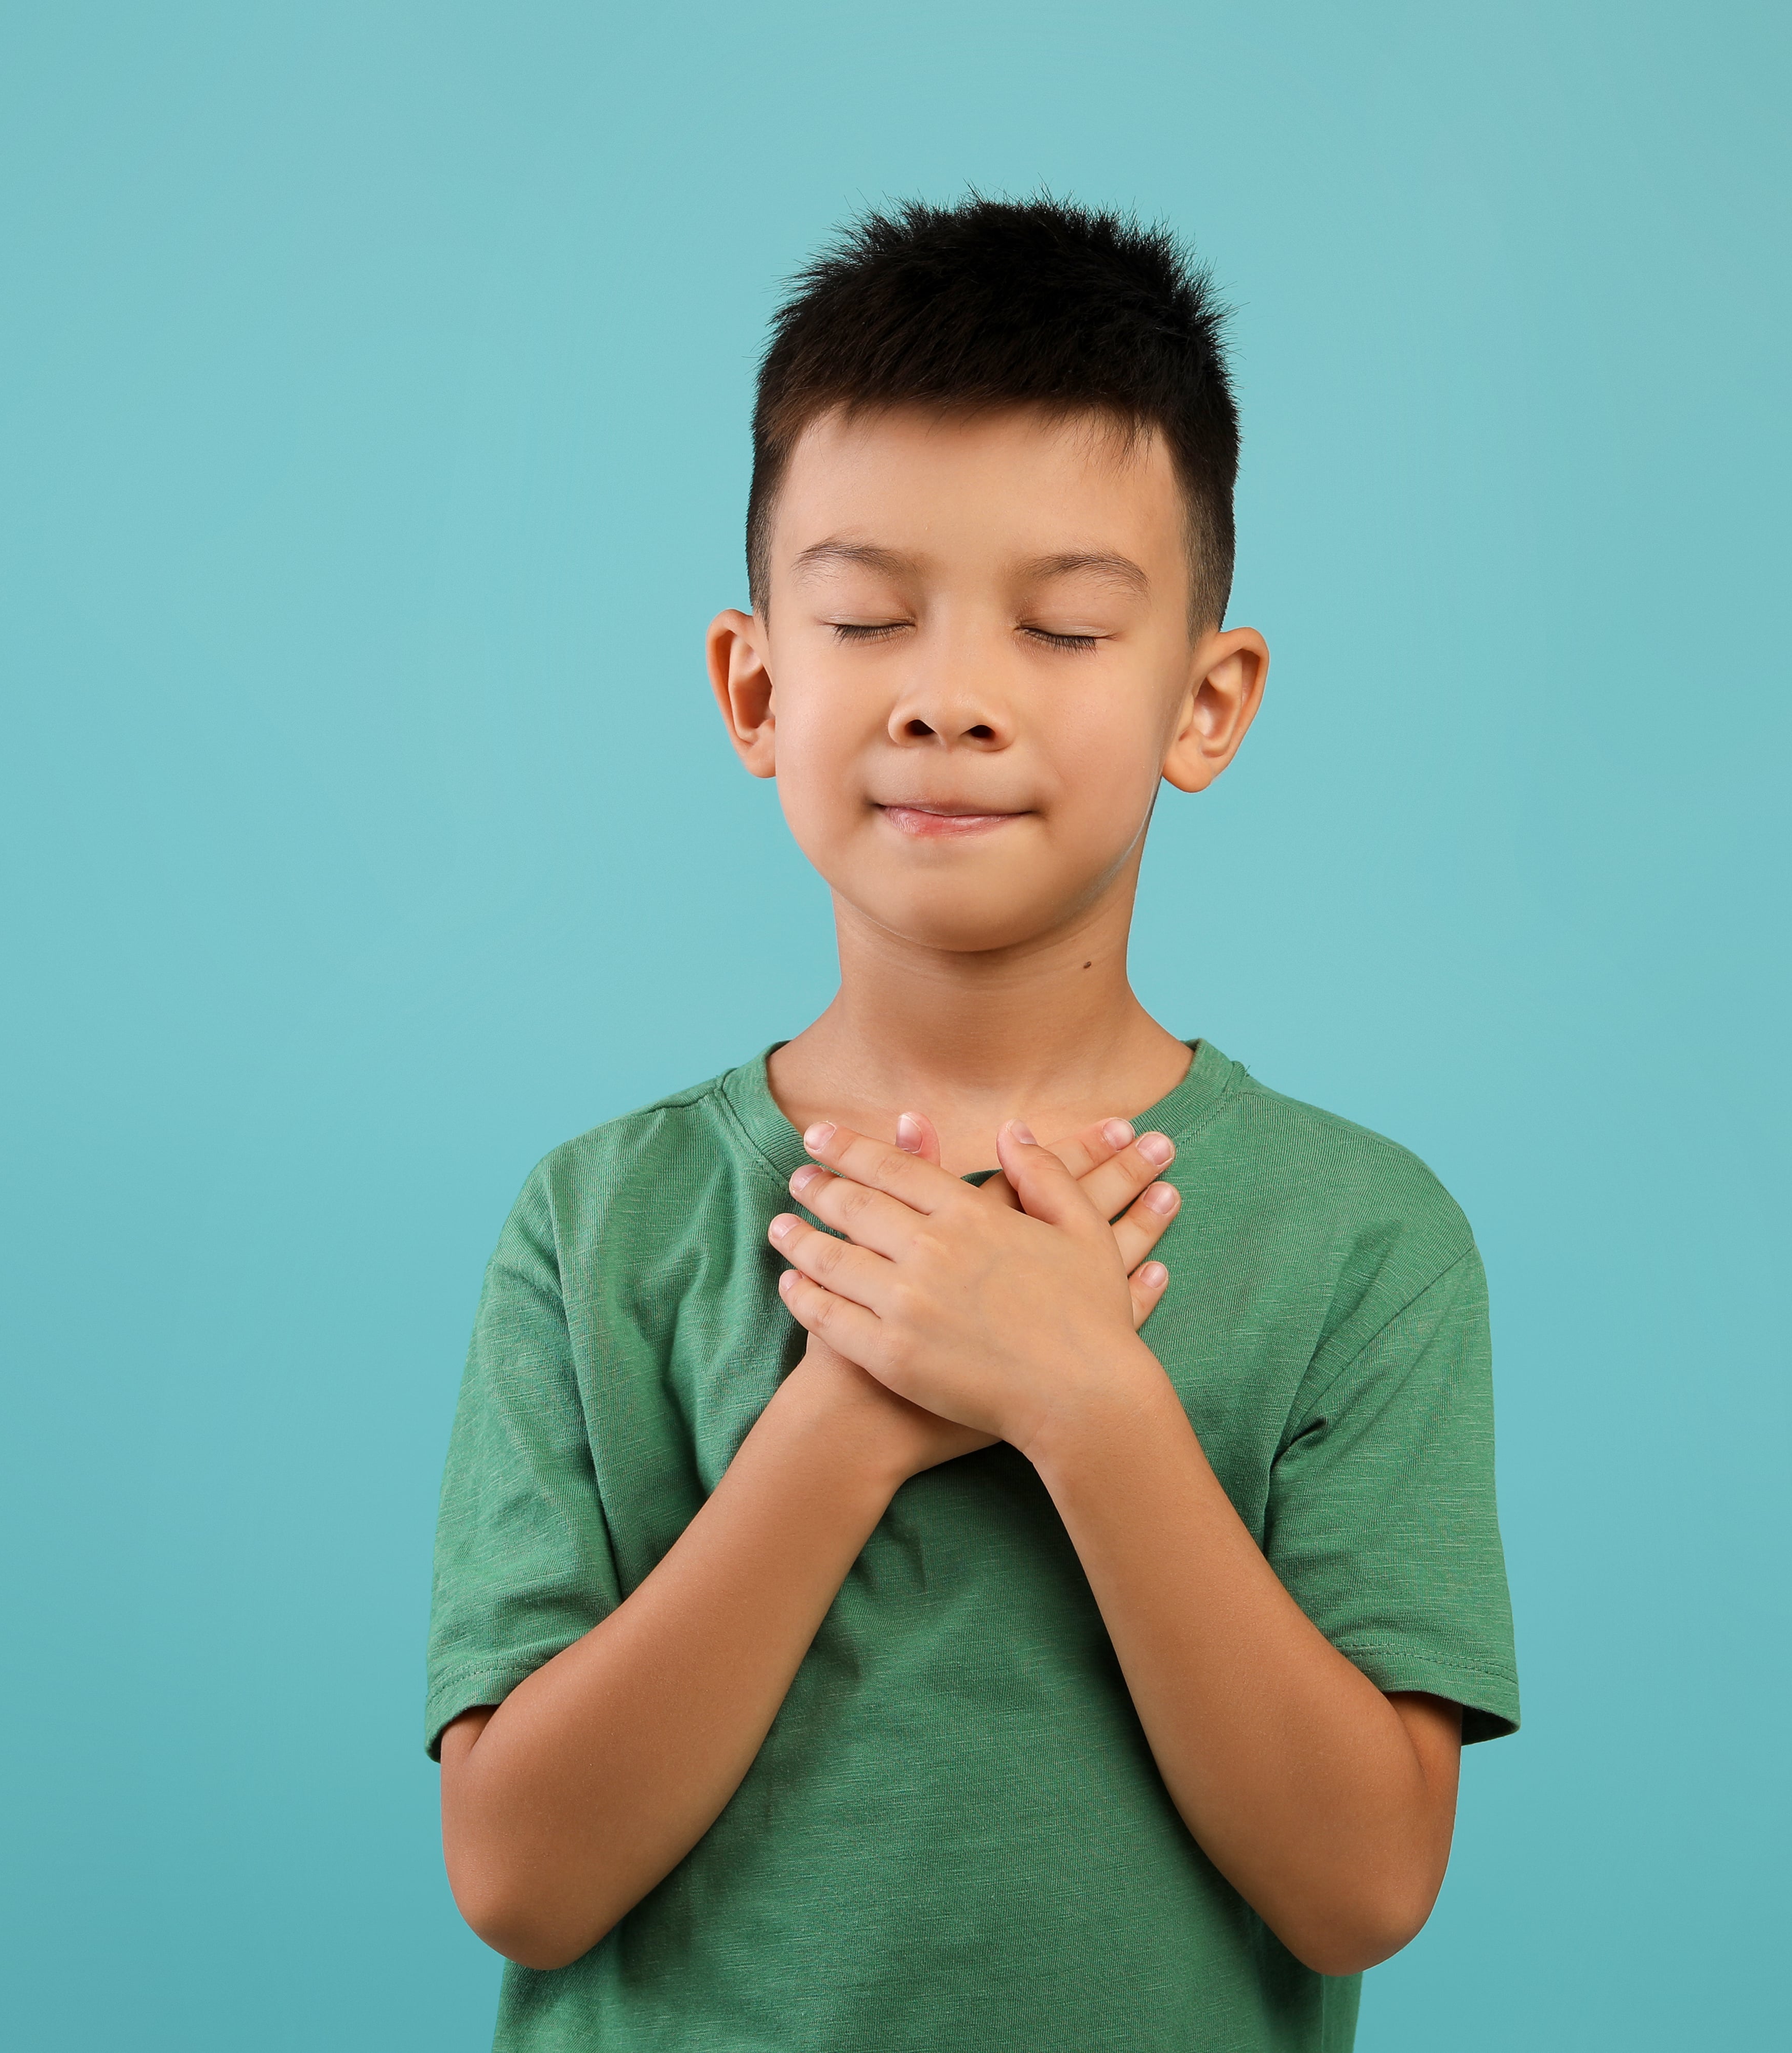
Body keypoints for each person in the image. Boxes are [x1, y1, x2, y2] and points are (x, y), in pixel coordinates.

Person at [425, 195, 1517, 2052]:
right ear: (758, 686)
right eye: (867, 616)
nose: (951, 698)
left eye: (1067, 626)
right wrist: (853, 1416)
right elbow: (519, 1872)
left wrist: (1084, 1396)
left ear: (1208, 696)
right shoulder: (601, 1221)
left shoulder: (1358, 1236)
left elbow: (1364, 1885)